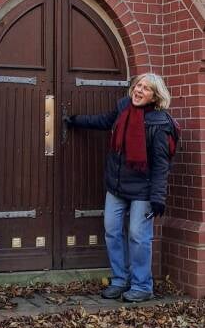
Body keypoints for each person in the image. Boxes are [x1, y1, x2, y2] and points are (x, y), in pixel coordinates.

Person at [65, 74, 178, 303]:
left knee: (138, 235)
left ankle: (142, 286)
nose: (139, 90)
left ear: (155, 96)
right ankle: (120, 280)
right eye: (138, 85)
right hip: (116, 186)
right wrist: (76, 120)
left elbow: (161, 165)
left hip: (143, 190)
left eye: (146, 88)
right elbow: (103, 121)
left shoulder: (160, 124)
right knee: (112, 231)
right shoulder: (124, 108)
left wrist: (158, 198)